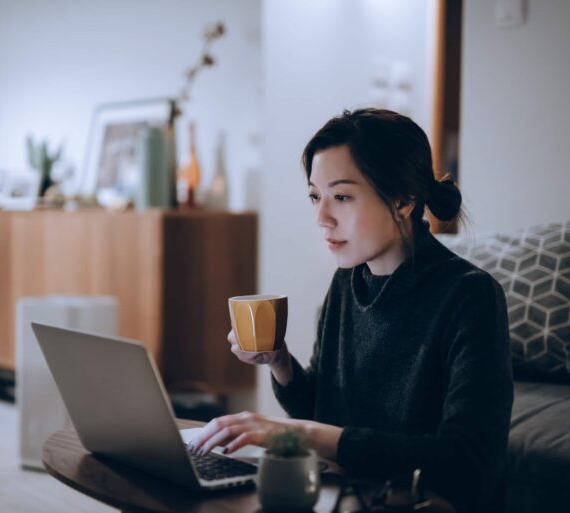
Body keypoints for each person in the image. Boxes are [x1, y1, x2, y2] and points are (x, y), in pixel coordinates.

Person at [189, 108, 513, 513]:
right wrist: (279, 361)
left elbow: (468, 464)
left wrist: (299, 433)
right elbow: (323, 412)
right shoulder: (347, 282)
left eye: (341, 197)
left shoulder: (470, 296)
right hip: (346, 496)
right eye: (315, 196)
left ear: (403, 199)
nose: (321, 218)